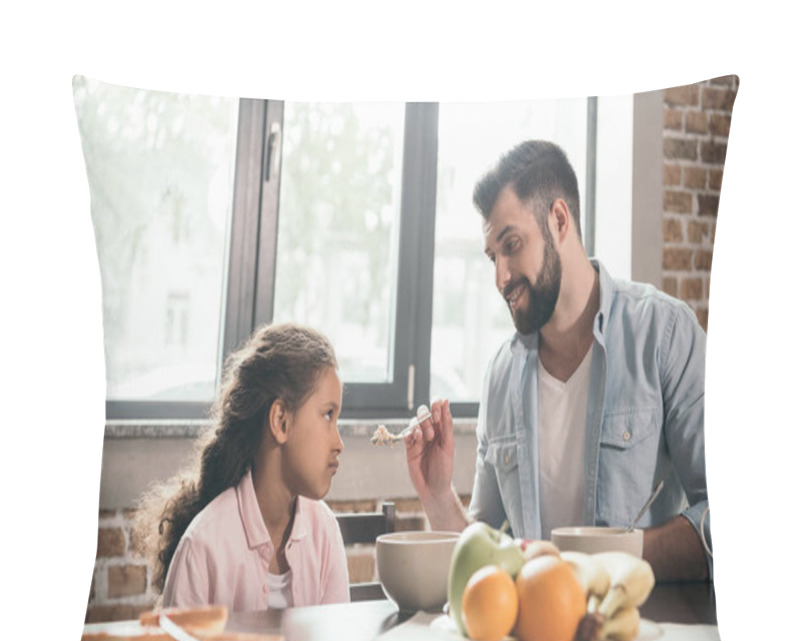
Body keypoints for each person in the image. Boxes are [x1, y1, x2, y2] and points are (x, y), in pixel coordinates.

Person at [404, 140, 710, 582]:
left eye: (511, 245)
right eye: (493, 256)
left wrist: (616, 560)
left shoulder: (665, 335)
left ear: (559, 220)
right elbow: (488, 559)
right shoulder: (500, 376)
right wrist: (437, 497)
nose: (500, 277)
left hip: (643, 638)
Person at [135, 322, 350, 612]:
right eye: (327, 415)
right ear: (281, 421)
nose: (339, 443)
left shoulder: (324, 531)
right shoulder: (202, 547)